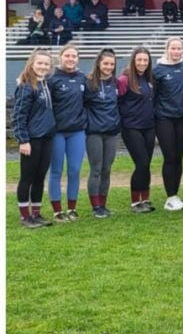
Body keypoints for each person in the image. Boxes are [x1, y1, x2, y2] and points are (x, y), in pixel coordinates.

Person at [13, 49, 56, 228]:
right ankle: (25, 217)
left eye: (46, 64)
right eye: (39, 63)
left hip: (47, 138)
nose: (43, 67)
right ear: (31, 63)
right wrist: (23, 140)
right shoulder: (25, 86)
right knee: (27, 178)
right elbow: (19, 115)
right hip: (32, 139)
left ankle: (37, 214)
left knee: (40, 177)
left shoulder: (45, 83)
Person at [47, 44, 87, 223]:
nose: (71, 59)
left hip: (77, 131)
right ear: (60, 57)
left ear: (78, 59)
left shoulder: (82, 78)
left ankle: (72, 208)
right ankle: (57, 211)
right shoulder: (52, 78)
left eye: (74, 56)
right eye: (67, 56)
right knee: (56, 171)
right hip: (57, 132)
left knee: (74, 170)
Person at [153, 37, 183, 211]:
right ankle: (170, 197)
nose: (176, 51)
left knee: (179, 157)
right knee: (169, 157)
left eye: (179, 48)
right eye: (173, 48)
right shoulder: (158, 70)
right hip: (164, 119)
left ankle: (175, 195)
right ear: (167, 49)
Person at [118, 47, 156, 213]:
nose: (142, 63)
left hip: (148, 126)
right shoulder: (125, 79)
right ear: (133, 61)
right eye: (139, 60)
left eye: (145, 60)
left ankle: (145, 198)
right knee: (141, 163)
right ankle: (135, 202)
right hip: (132, 127)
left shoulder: (149, 79)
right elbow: (116, 101)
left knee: (147, 164)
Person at [83, 49, 120, 219]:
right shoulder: (89, 83)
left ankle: (103, 204)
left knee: (107, 169)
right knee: (96, 169)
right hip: (95, 133)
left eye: (112, 64)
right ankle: (95, 206)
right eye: (106, 63)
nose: (109, 67)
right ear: (99, 63)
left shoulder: (116, 83)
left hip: (111, 132)